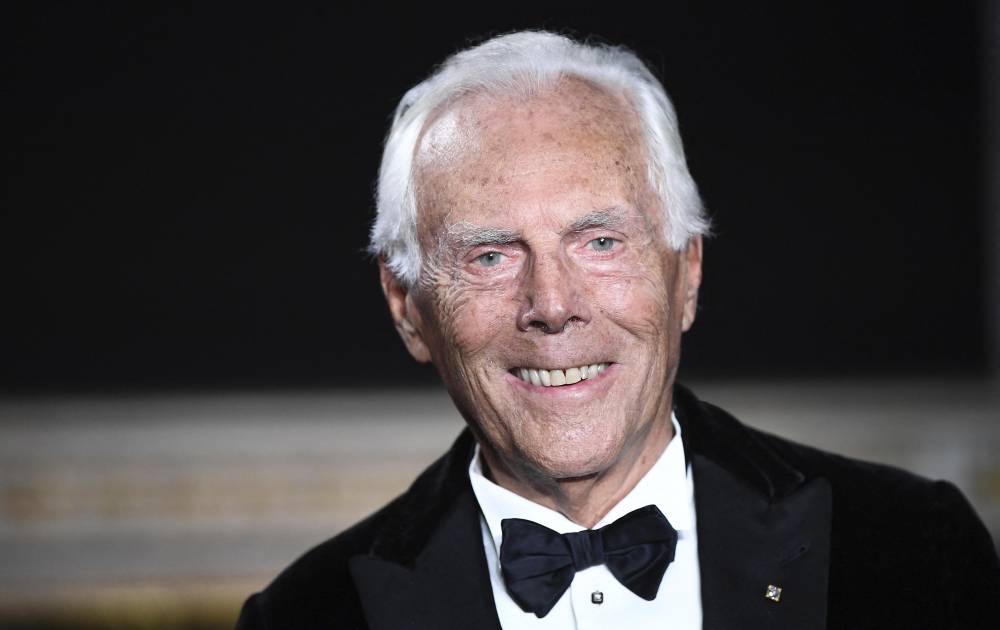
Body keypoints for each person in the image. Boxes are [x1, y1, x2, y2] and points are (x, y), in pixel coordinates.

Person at [234, 31, 999, 629]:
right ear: (407, 307)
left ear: (686, 271)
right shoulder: (303, 618)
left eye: (600, 241)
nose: (552, 304)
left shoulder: (915, 551)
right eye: (491, 255)